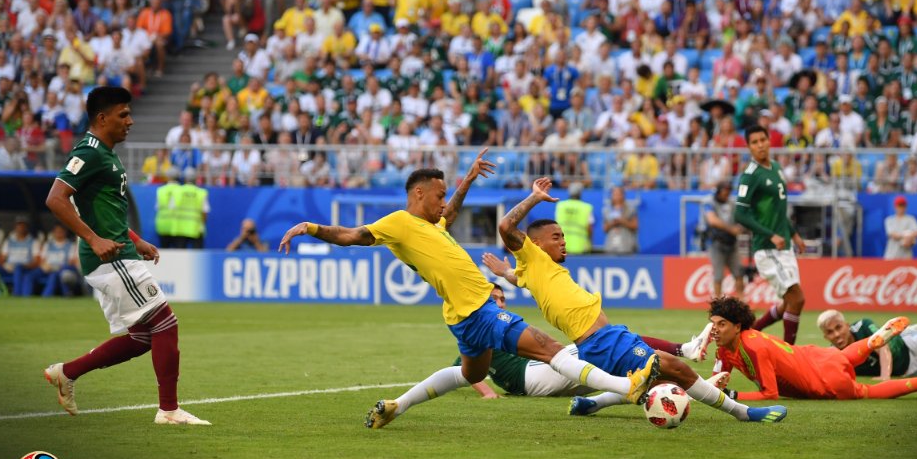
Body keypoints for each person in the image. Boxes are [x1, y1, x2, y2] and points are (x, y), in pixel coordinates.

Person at [277, 153, 653, 429]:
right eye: (438, 194)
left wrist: (468, 179)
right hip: (478, 308)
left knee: (472, 373)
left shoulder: (432, 224)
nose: (443, 202)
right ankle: (626, 386)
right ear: (419, 193)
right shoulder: (398, 223)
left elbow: (450, 214)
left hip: (460, 316)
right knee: (549, 348)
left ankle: (398, 405)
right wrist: (309, 227)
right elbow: (350, 236)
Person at [483, 178, 788, 423]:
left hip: (606, 337)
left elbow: (520, 279)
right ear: (535, 244)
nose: (563, 242)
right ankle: (743, 413)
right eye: (556, 237)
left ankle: (591, 404)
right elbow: (506, 227)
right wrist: (534, 197)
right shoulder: (533, 257)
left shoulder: (533, 270)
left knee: (652, 381)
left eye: (563, 236)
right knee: (675, 370)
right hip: (601, 341)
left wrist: (507, 272)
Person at [43, 86, 210, 425]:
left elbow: (107, 214)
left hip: (120, 252)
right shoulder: (89, 153)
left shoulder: (106, 153)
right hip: (110, 258)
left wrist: (138, 240)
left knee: (142, 337)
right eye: (123, 115)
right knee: (166, 323)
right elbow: (55, 198)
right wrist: (93, 239)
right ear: (101, 118)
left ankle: (67, 372)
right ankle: (169, 411)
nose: (130, 121)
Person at [437, 284, 712, 399]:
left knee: (620, 357)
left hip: (534, 375)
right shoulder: (484, 324)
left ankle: (687, 376)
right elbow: (464, 369)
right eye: (494, 299)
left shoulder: (495, 323)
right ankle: (685, 356)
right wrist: (488, 393)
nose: (500, 302)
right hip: (531, 377)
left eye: (502, 298)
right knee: (615, 346)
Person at [706, 296, 917, 401]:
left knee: (867, 391)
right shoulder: (725, 348)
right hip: (819, 356)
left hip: (823, 383)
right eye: (713, 324)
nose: (715, 329)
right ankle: (870, 342)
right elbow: (714, 383)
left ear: (737, 327)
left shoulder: (753, 347)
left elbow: (770, 394)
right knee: (844, 356)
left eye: (721, 324)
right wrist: (700, 389)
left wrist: (732, 395)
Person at [736, 125, 806, 342]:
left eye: (762, 140)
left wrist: (793, 234)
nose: (760, 145)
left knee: (788, 302)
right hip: (766, 249)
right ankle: (789, 356)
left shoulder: (775, 167)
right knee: (797, 298)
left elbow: (778, 210)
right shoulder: (750, 176)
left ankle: (750, 333)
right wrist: (770, 235)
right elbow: (740, 214)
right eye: (754, 142)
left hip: (784, 247)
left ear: (769, 141)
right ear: (749, 147)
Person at [703, 180, 746, 298]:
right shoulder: (709, 201)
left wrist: (740, 227)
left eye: (729, 191)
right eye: (725, 191)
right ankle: (717, 303)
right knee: (718, 275)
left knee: (739, 273)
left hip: (732, 243)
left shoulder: (732, 203)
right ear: (718, 191)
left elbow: (741, 219)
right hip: (716, 243)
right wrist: (731, 229)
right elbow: (712, 220)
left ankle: (741, 302)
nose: (727, 194)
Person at [32, 225, 81, 297]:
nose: (59, 233)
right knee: (30, 275)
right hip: (47, 269)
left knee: (55, 274)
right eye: (57, 232)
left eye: (61, 232)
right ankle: (23, 296)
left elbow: (71, 262)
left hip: (63, 269)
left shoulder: (71, 245)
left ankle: (46, 296)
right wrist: (45, 266)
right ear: (53, 233)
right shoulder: (48, 245)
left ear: (65, 232)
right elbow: (42, 261)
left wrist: (56, 267)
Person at [553, 181, 593, 254]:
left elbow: (555, 225)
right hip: (580, 247)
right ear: (580, 193)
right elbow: (589, 228)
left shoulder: (561, 206)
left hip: (562, 246)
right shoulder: (586, 207)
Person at [602, 187, 638, 254]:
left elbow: (635, 226)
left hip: (626, 246)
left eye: (618, 194)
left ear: (623, 195)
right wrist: (613, 223)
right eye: (614, 194)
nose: (616, 196)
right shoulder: (606, 210)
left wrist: (622, 221)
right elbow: (605, 228)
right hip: (611, 246)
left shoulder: (631, 209)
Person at [883, 195, 917, 259]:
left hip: (906, 256)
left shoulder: (910, 219)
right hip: (891, 255)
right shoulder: (889, 220)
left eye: (903, 206)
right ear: (895, 207)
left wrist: (910, 238)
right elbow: (892, 234)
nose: (901, 208)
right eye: (899, 206)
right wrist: (906, 236)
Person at [155, 175, 182, 248]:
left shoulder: (161, 190)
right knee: (179, 254)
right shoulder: (181, 190)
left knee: (164, 252)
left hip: (163, 225)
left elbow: (157, 207)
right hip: (177, 226)